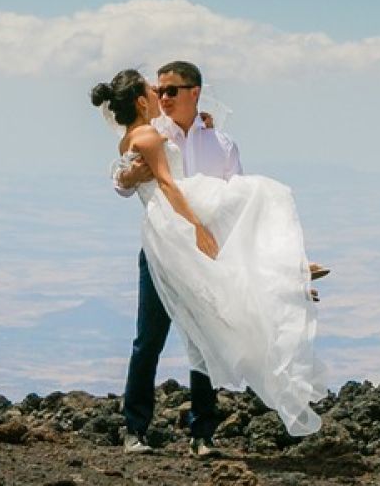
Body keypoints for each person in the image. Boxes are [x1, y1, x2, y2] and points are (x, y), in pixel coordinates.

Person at [92, 66, 324, 451]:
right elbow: (128, 172)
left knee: (207, 334)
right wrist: (127, 180)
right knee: (149, 338)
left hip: (207, 236)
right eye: (157, 91)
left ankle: (203, 434)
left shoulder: (222, 142)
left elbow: (236, 208)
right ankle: (135, 428)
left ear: (194, 92)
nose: (163, 98)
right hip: (169, 239)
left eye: (170, 90)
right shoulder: (155, 131)